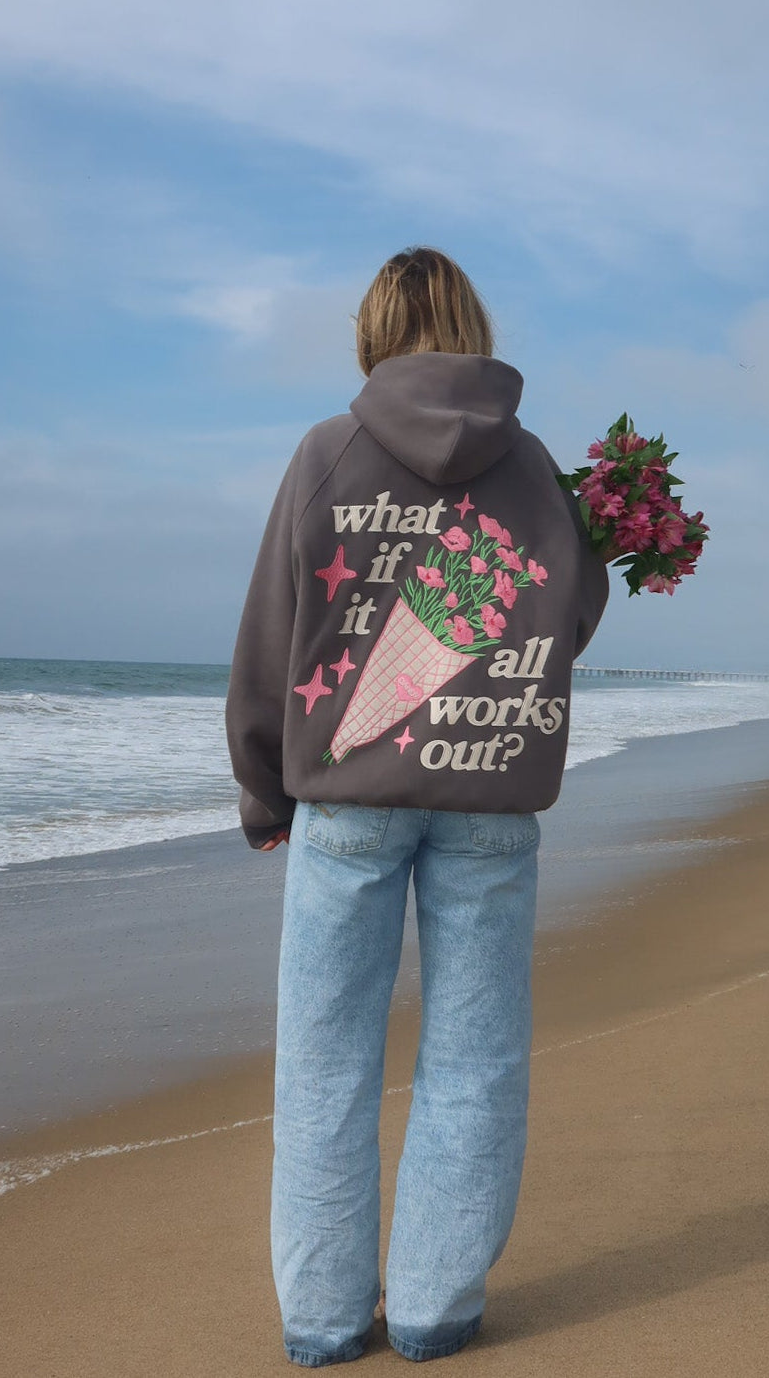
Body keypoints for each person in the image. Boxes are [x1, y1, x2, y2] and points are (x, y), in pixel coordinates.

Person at [226, 247, 608, 1366]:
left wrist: (262, 788)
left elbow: (271, 630)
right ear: (473, 326)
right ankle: (437, 1310)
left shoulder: (327, 452)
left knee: (324, 1064)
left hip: (346, 802)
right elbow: (570, 614)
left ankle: (324, 1318)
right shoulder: (531, 465)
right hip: (489, 794)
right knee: (475, 1060)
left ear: (371, 330)